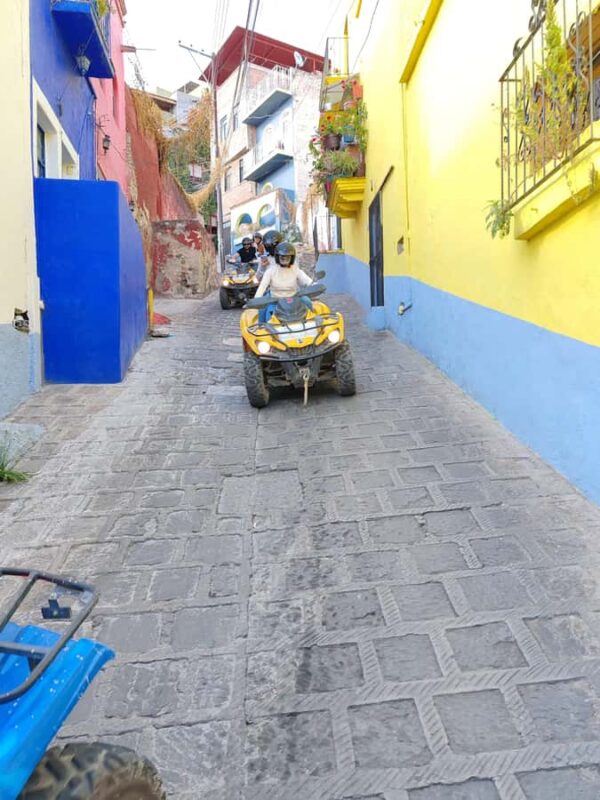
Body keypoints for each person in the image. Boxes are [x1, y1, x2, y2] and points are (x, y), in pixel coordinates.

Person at [255, 242, 313, 323]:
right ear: (277, 257)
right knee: (262, 309)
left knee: (307, 301)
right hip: (275, 300)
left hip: (294, 298)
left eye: (287, 257)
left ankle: (311, 323)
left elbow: (306, 280)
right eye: (282, 257)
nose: (284, 259)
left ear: (292, 258)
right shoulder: (271, 271)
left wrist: (314, 285)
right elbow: (262, 286)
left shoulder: (295, 269)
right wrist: (257, 299)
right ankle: (260, 328)